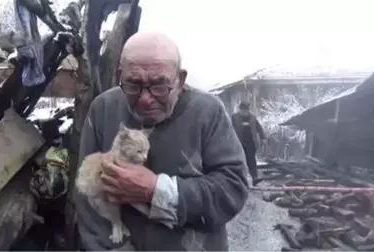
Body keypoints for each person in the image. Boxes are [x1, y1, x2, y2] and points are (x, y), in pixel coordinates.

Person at [74, 31, 249, 252]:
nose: (146, 99)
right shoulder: (103, 109)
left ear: (181, 79)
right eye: (133, 84)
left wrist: (157, 191)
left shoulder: (207, 111)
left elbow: (234, 189)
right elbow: (85, 194)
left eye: (159, 86)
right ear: (121, 74)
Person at [231, 101, 266, 185]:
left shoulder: (252, 117)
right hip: (238, 143)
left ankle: (255, 178)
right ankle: (239, 180)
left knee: (252, 161)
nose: (244, 112)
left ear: (248, 110)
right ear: (239, 109)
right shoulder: (234, 117)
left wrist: (263, 137)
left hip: (251, 142)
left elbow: (259, 128)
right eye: (242, 110)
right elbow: (228, 129)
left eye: (245, 111)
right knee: (239, 161)